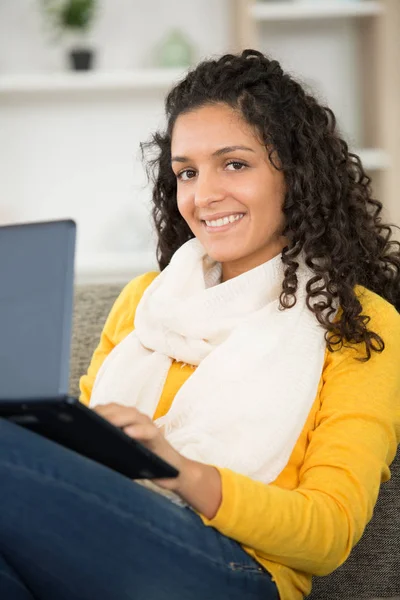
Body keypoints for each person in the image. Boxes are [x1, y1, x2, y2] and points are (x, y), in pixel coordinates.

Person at [1, 49, 400, 600]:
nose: (204, 195)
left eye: (234, 164)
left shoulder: (358, 321)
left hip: (236, 572)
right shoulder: (144, 300)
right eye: (187, 172)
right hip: (102, 546)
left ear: (296, 172)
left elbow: (327, 534)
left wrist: (176, 469)